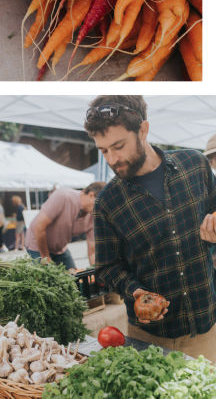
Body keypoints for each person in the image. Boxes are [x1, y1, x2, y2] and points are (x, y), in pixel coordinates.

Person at [87, 95, 216, 356]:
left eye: (118, 146)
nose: (111, 159)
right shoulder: (107, 203)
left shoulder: (195, 165)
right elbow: (106, 267)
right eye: (103, 150)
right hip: (151, 339)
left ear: (143, 130)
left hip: (207, 327)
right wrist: (135, 291)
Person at [24, 183, 102, 271]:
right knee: (48, 281)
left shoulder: (94, 215)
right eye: (101, 205)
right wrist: (46, 258)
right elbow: (39, 227)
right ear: (91, 195)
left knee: (75, 278)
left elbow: (92, 252)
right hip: (37, 245)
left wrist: (97, 270)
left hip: (59, 249)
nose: (101, 209)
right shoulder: (63, 196)